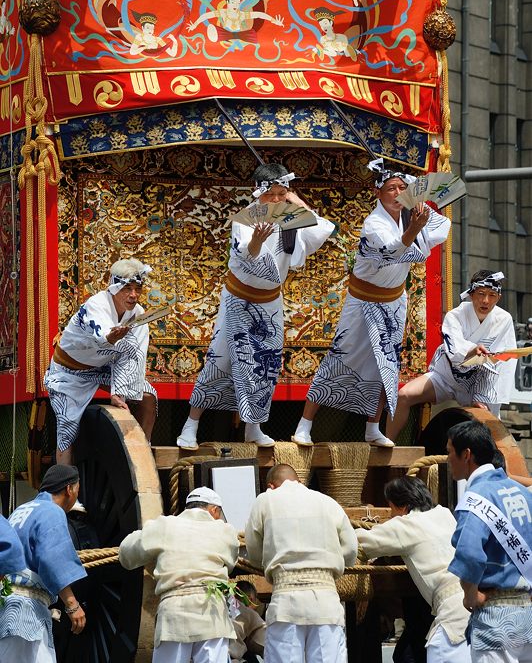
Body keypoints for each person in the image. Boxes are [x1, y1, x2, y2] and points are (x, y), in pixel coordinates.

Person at [292, 157, 450, 448]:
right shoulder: (373, 224)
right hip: (363, 301)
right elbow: (392, 252)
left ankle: (372, 427)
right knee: (340, 358)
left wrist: (415, 201)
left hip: (393, 302)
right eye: (391, 188)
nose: (397, 193)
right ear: (378, 193)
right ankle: (305, 424)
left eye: (403, 187)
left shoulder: (412, 212)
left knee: (386, 365)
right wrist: (414, 229)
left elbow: (443, 225)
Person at [176, 163, 335, 450]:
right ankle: (192, 424)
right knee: (220, 359)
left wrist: (297, 202)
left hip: (270, 301)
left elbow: (321, 229)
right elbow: (246, 256)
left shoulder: (290, 215)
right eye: (271, 194)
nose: (276, 200)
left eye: (280, 194)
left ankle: (254, 426)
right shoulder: (247, 218)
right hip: (239, 299)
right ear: (258, 194)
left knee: (265, 363)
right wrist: (257, 243)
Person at [44, 257, 157, 465]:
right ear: (114, 288)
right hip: (68, 372)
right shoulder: (96, 305)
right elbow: (103, 337)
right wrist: (115, 336)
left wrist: (119, 392)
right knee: (67, 429)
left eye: (138, 288)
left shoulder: (138, 314)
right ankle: (66, 487)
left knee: (148, 396)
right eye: (127, 289)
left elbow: (135, 354)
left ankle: (142, 452)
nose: (133, 295)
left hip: (103, 368)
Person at [245, 463, 358, 662]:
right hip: (326, 602)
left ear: (271, 486)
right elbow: (351, 550)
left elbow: (253, 552)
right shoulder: (327, 502)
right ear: (300, 481)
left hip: (286, 602)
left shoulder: (266, 500)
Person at [387, 270, 517, 442]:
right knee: (404, 396)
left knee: (490, 427)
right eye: (481, 294)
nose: (486, 301)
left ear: (498, 298)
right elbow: (453, 347)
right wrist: (472, 349)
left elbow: (502, 362)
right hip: (447, 375)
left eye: (492, 295)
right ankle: (387, 446)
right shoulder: (455, 315)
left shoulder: (504, 319)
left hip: (480, 383)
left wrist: (483, 396)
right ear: (471, 294)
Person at [119, 486, 240, 663]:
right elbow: (231, 563)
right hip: (212, 614)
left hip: (174, 615)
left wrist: (155, 558)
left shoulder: (164, 526)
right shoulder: (225, 531)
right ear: (214, 510)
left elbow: (126, 554)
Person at [357, 476, 471, 662]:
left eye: (391, 508)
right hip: (475, 601)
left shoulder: (404, 525)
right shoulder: (445, 514)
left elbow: (360, 541)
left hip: (452, 612)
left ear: (402, 507)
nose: (391, 515)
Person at [446, 419, 532, 663]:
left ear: (467, 455)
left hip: (496, 621)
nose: (447, 459)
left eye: (450, 452)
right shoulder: (521, 493)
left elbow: (470, 555)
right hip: (528, 619)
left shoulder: (475, 499)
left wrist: (470, 595)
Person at [0, 465, 87, 662]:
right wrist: (72, 605)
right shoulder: (52, 511)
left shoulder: (20, 510)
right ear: (69, 489)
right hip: (24, 612)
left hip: (7, 606)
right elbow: (51, 558)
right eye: (77, 490)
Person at [229, 580, 266, 663]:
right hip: (230, 658)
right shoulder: (248, 612)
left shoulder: (221, 605)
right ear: (250, 599)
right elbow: (264, 644)